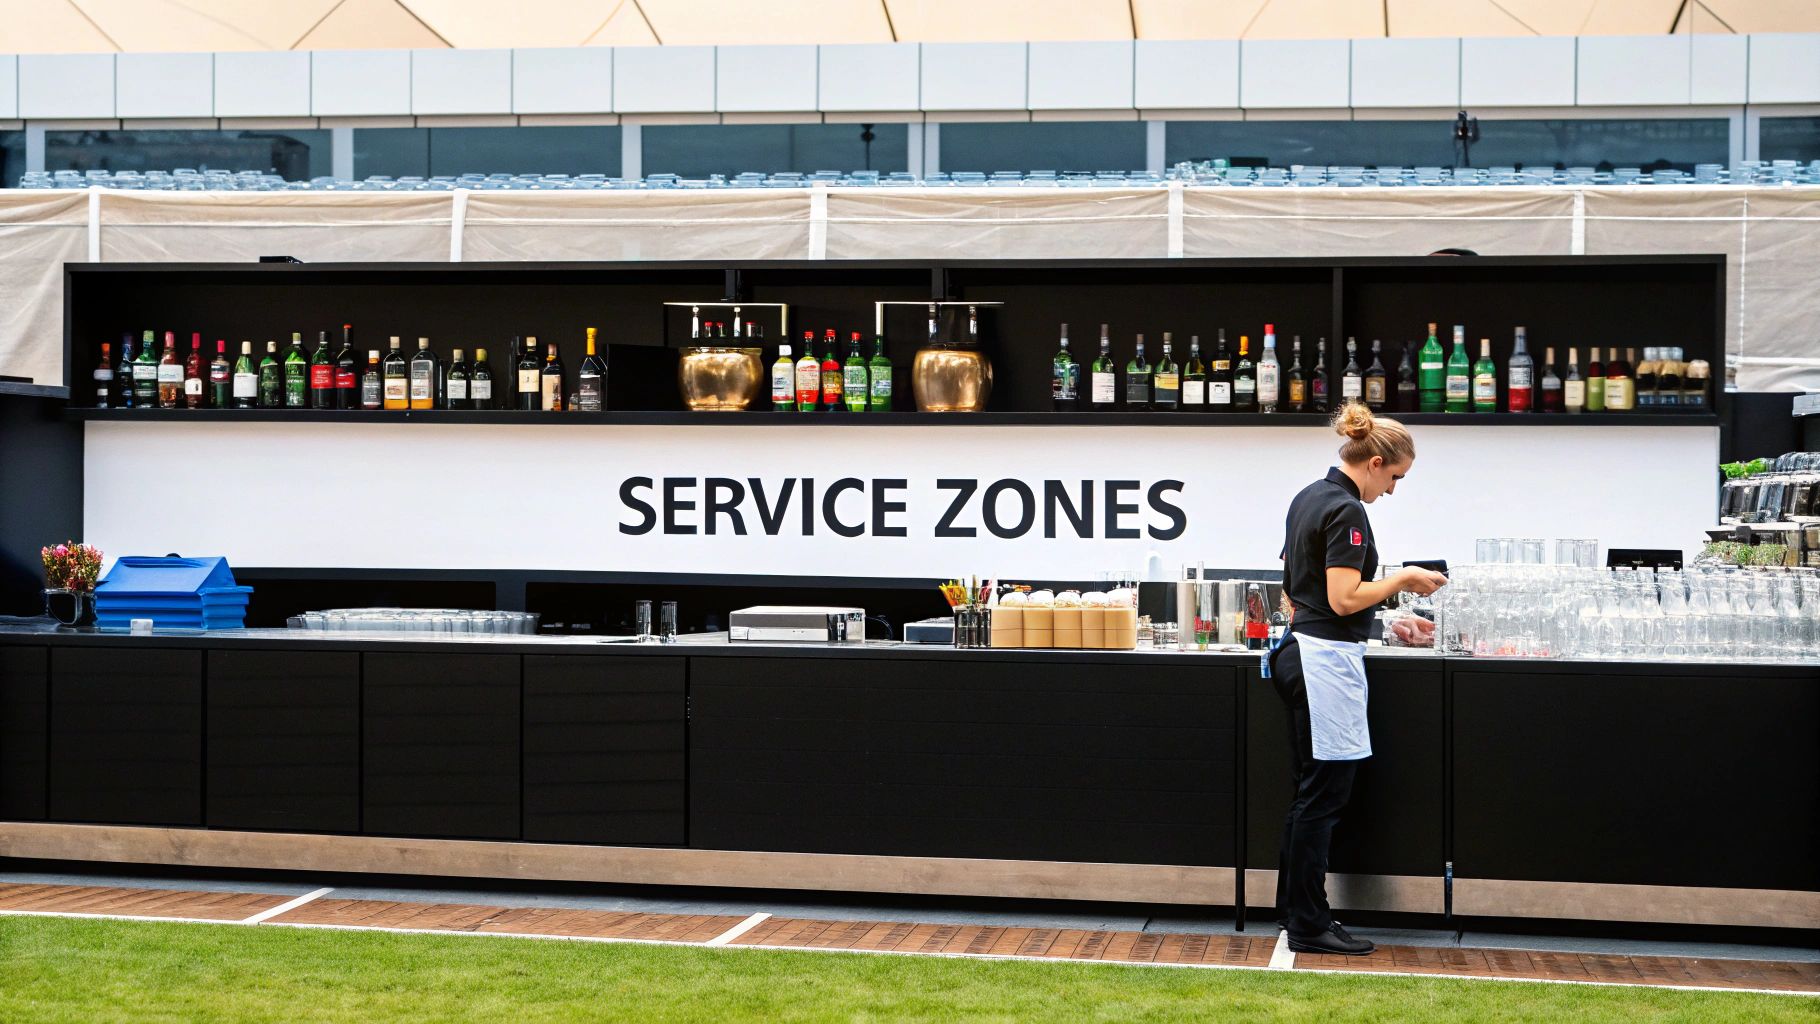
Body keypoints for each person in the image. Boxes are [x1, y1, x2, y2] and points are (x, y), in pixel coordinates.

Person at [1268, 404, 1447, 956]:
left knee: (1309, 795)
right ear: (1373, 462)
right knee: (1323, 798)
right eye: (1394, 478)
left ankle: (1296, 912)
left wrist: (1388, 618)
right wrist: (1406, 579)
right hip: (1324, 665)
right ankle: (1308, 922)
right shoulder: (1347, 509)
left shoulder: (1307, 498)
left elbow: (1297, 593)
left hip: (1300, 652)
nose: (1392, 491)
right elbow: (1343, 596)